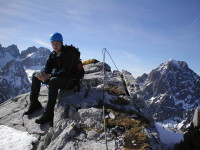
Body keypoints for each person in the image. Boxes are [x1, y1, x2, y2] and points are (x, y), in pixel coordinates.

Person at [24, 32, 75, 124]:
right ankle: (34, 103)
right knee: (36, 75)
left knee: (53, 81)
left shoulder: (68, 54)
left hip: (70, 81)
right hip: (60, 79)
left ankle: (48, 113)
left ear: (61, 43)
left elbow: (66, 72)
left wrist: (50, 75)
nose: (55, 46)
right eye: (53, 43)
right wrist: (42, 74)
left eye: (57, 43)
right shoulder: (53, 55)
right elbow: (47, 68)